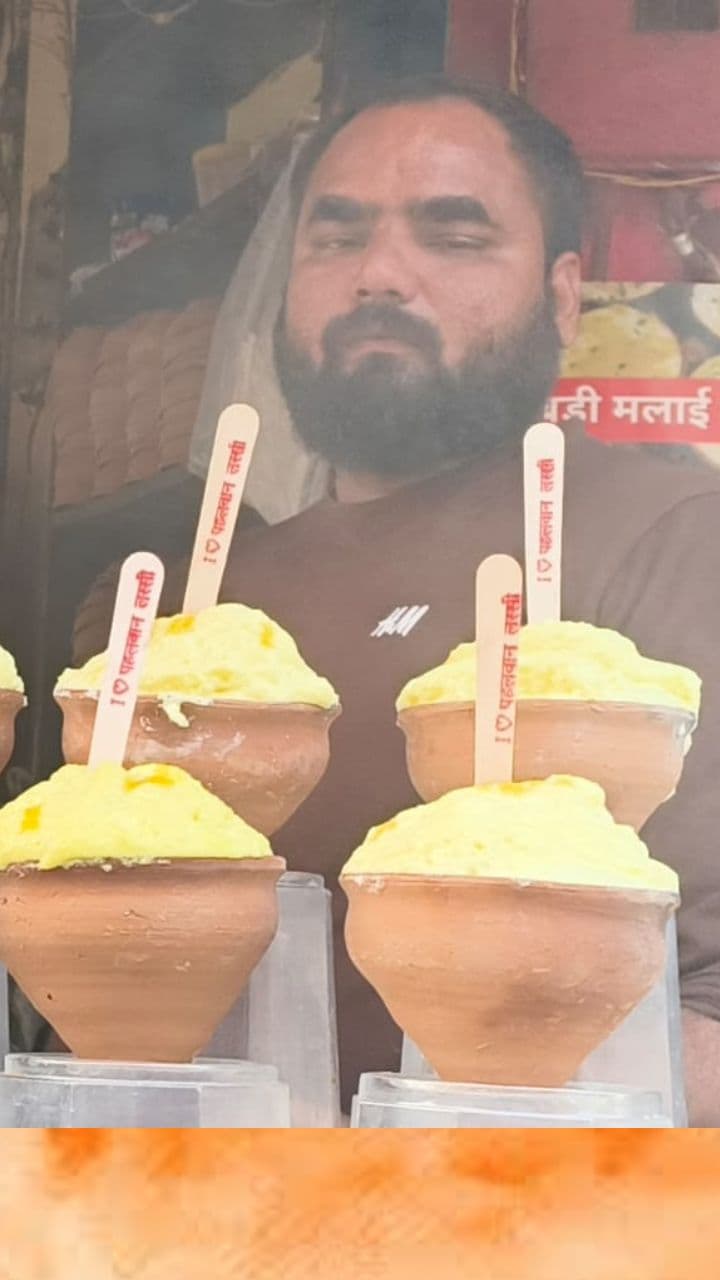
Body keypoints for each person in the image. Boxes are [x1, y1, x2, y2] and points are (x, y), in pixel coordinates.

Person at [76, 75, 720, 1122]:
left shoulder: (676, 535)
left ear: (564, 295)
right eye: (336, 238)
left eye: (453, 236)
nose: (379, 273)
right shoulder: (200, 611)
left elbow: (705, 1000)